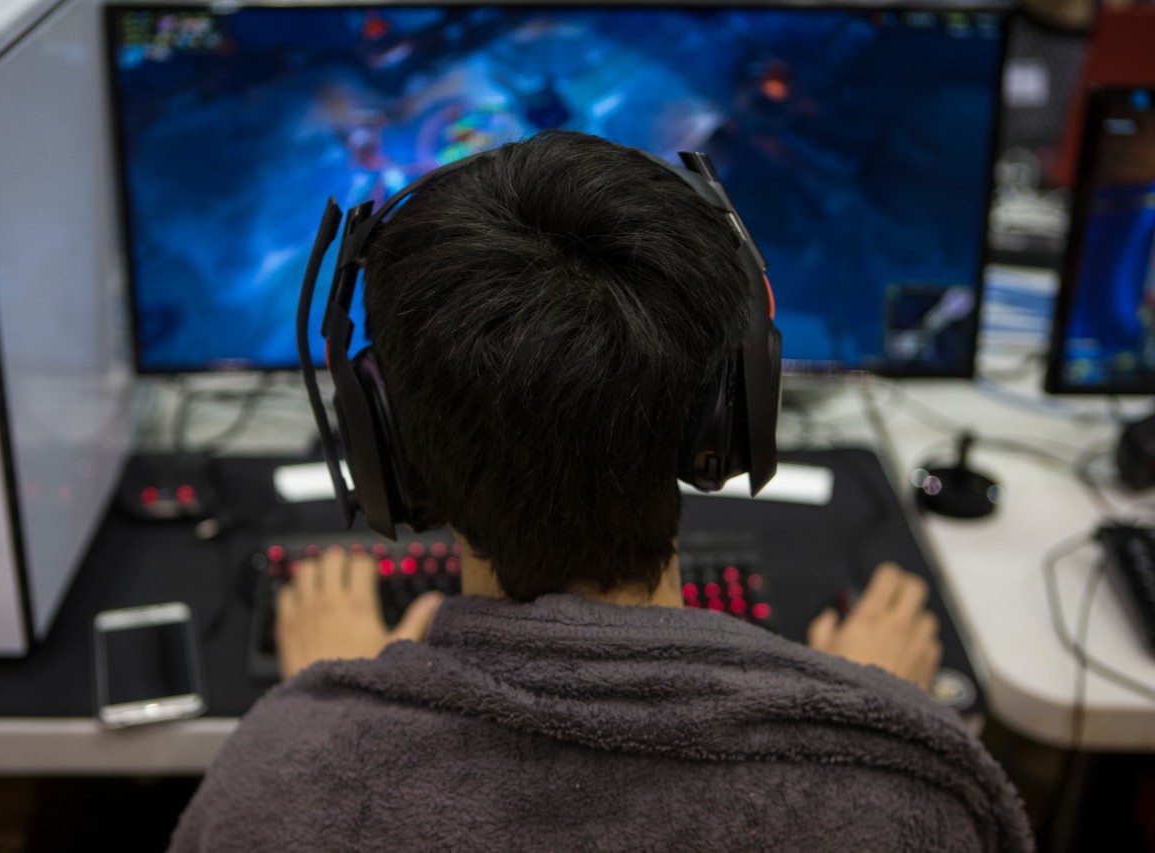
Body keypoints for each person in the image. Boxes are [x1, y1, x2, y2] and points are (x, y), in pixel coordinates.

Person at [169, 131, 1031, 851]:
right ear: (733, 414)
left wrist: (335, 700)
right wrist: (858, 717)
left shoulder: (274, 787)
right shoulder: (906, 791)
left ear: (385, 443)